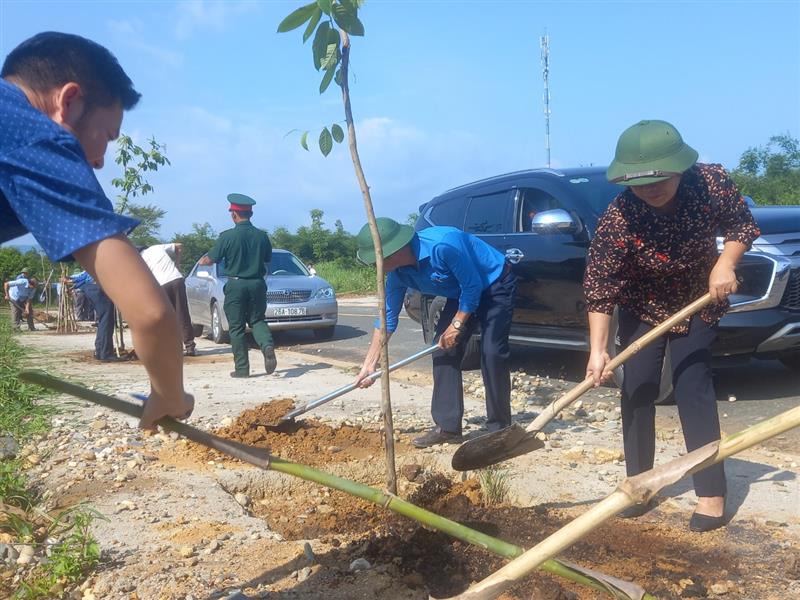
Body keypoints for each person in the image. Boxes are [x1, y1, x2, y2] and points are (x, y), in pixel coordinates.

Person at [0, 32, 192, 428]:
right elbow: (153, 313)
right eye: (106, 136)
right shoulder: (33, 134)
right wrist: (170, 396)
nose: (101, 161)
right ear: (69, 101)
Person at [583, 119, 760, 532]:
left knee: (692, 385)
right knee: (638, 387)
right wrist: (598, 350)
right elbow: (601, 288)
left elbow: (740, 226)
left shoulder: (710, 183)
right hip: (642, 304)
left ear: (680, 166)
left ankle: (711, 494)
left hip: (698, 298)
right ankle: (640, 484)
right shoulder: (619, 218)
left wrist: (725, 263)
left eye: (660, 178)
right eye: (639, 182)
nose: (650, 189)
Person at [354, 217, 517, 448]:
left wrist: (457, 324)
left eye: (378, 259)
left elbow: (473, 286)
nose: (376, 265)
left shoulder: (443, 246)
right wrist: (370, 364)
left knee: (491, 353)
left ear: (394, 252)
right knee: (442, 350)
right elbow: (386, 319)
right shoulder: (397, 276)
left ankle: (500, 430)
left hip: (494, 282)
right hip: (460, 292)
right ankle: (448, 428)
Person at [198, 194, 276, 378]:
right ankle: (267, 345)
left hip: (236, 284)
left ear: (234, 215)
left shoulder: (227, 236)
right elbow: (267, 259)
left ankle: (242, 369)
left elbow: (210, 259)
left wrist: (203, 261)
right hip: (257, 284)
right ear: (251, 213)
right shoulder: (262, 236)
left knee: (237, 327)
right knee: (257, 320)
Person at [140, 243, 196, 356]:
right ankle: (190, 346)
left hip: (162, 285)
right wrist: (177, 263)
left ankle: (172, 347)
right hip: (177, 279)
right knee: (182, 313)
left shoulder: (140, 260)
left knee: (167, 317)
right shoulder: (156, 247)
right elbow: (179, 246)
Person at [64, 270, 121, 361]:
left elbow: (83, 277)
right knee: (107, 320)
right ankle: (105, 353)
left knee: (104, 320)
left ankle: (100, 351)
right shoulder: (108, 261)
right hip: (98, 288)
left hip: (89, 288)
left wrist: (72, 281)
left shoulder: (94, 263)